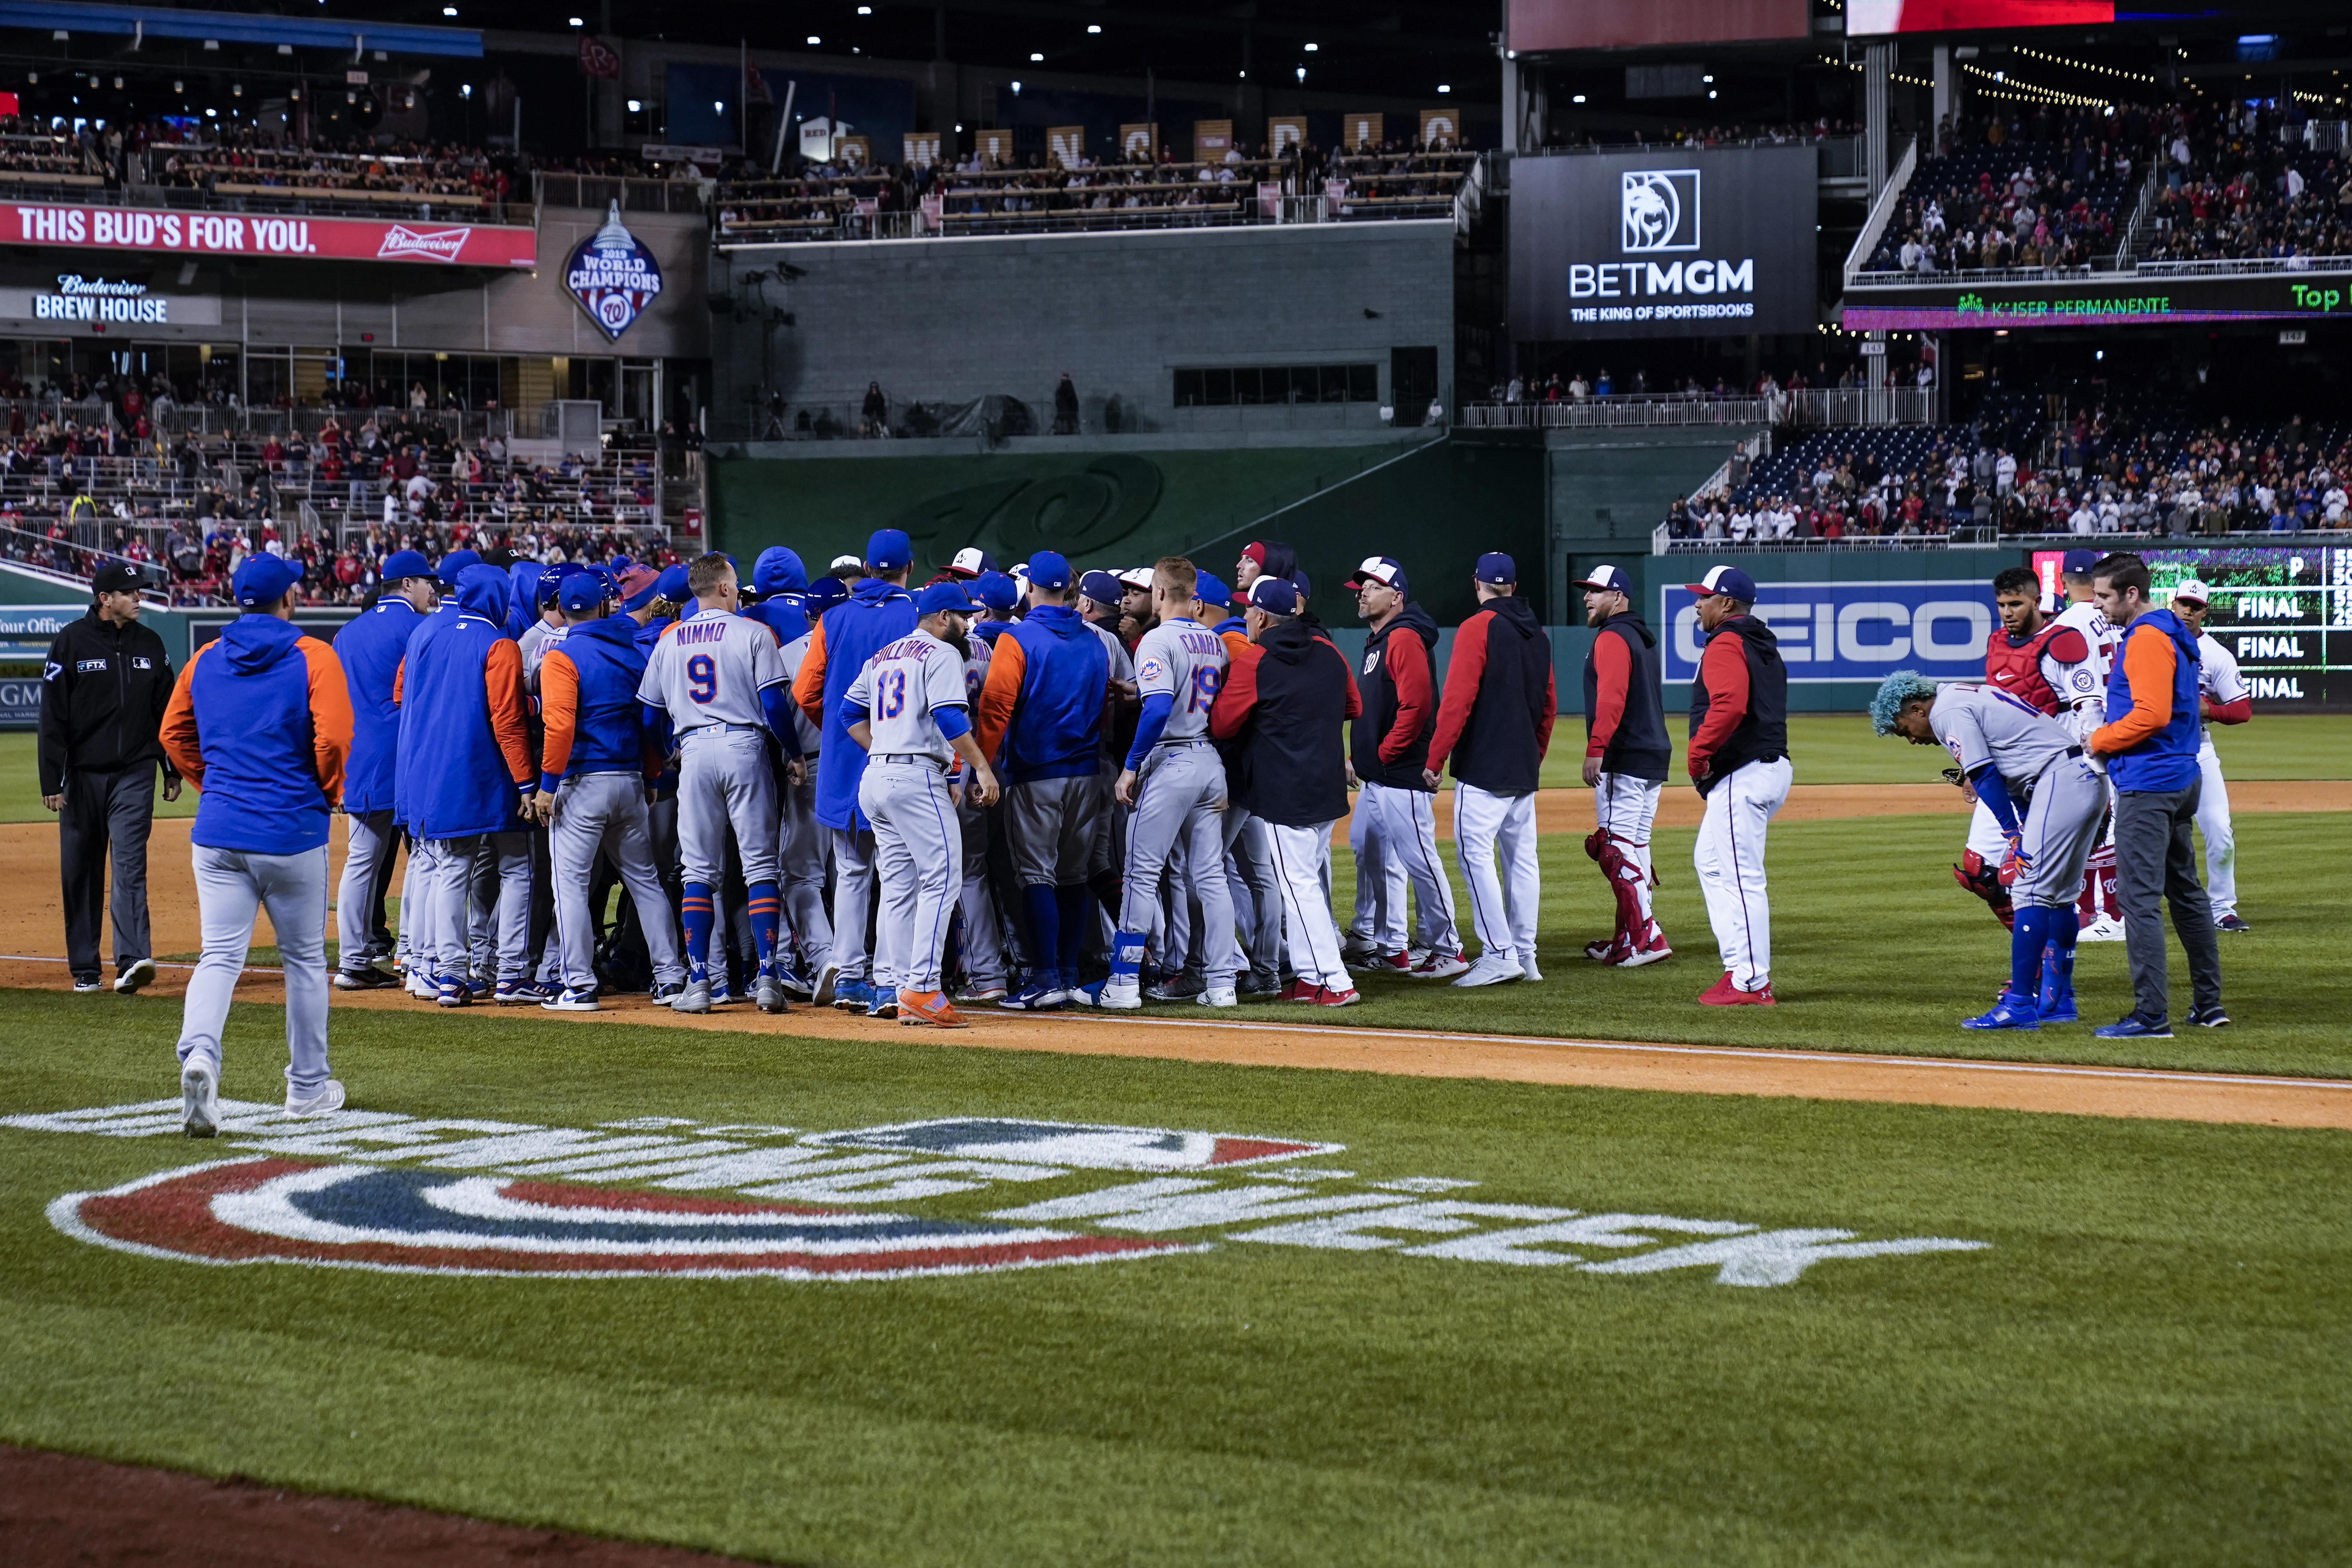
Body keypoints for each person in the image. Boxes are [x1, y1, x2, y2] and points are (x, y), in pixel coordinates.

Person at [158, 554, 354, 1134]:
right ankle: (307, 1088)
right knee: (303, 963)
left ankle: (199, 1054)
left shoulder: (203, 659)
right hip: (291, 830)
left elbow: (172, 733)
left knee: (218, 956)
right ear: (288, 599)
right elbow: (336, 737)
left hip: (218, 830)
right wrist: (326, 790)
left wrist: (209, 782)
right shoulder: (313, 656)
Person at [1874, 671, 2108, 1029]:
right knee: (2060, 896)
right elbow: (2013, 766)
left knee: (2027, 892)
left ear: (1918, 710)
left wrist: (2013, 835)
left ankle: (2018, 1004)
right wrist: (2026, 822)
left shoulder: (1945, 711)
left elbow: (1984, 775)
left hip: (2058, 782)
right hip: (2080, 778)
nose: (1909, 739)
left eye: (1903, 728)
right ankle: (2059, 1000)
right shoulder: (1965, 694)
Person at [638, 552, 800, 1015]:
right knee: (760, 867)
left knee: (697, 872)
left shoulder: (669, 640)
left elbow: (649, 715)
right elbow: (775, 704)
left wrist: (669, 751)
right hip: (744, 746)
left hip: (692, 751)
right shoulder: (752, 633)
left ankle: (701, 983)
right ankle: (768, 978)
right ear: (725, 588)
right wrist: (790, 752)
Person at [843, 581, 1001, 1027]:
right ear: (942, 617)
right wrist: (982, 769)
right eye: (963, 615)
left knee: (897, 886)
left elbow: (848, 714)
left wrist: (883, 747)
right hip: (913, 778)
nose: (968, 623)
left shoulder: (884, 654)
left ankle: (896, 986)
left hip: (876, 778)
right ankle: (924, 989)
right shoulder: (942, 652)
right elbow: (950, 715)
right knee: (943, 878)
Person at [1082, 556, 1236, 1009]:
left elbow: (1157, 709)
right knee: (1210, 876)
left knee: (1140, 874)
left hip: (1171, 762)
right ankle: (1222, 982)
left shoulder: (1155, 639)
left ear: (1161, 593)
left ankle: (1124, 983)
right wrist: (1141, 691)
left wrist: (1131, 766)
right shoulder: (1214, 641)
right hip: (1209, 761)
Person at [2084, 553, 2225, 1038]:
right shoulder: (2174, 632)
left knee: (2137, 900)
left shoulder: (2145, 637)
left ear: (2130, 594)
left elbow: (2150, 715)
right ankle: (2208, 1005)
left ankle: (2151, 1016)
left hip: (2150, 780)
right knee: (2186, 893)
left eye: (2104, 595)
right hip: (2181, 775)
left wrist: (2098, 741)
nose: (2098, 604)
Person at [532, 571, 686, 1011]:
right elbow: (651, 723)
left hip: (582, 785)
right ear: (604, 606)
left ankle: (578, 985)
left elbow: (559, 725)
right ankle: (671, 977)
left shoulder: (563, 656)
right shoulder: (633, 652)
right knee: (646, 883)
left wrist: (546, 787)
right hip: (629, 783)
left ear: (562, 610)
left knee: (572, 887)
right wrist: (653, 776)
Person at [972, 550, 1118, 1011]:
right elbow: (1102, 707)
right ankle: (1071, 975)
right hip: (1086, 772)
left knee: (1036, 876)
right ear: (1070, 591)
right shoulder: (1095, 641)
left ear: (1030, 587)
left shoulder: (1018, 640)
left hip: (1037, 774)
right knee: (1074, 875)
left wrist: (982, 766)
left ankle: (1044, 977)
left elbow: (994, 710)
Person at [1209, 575, 1362, 1006]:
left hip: (1282, 788)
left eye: (1247, 611)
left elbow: (1222, 723)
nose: (1244, 617)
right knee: (1304, 881)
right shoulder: (1329, 651)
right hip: (1326, 783)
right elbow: (1355, 706)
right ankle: (1311, 975)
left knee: (1298, 887)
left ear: (1261, 616)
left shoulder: (1255, 660)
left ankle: (1335, 980)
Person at [398, 563, 539, 1007]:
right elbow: (509, 721)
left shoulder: (423, 632)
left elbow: (402, 696)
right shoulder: (499, 643)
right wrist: (526, 781)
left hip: (427, 769)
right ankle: (512, 973)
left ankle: (445, 973)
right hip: (485, 772)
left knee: (447, 869)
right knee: (517, 867)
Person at [793, 529, 920, 1013]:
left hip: (844, 761)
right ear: (907, 567)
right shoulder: (915, 613)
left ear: (868, 569)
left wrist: (838, 733)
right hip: (900, 757)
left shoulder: (835, 617)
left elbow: (807, 691)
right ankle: (889, 979)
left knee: (849, 873)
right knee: (896, 874)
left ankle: (849, 976)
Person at [38, 560, 178, 994]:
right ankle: (85, 967)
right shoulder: (71, 643)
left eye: (140, 591)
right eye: (131, 591)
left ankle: (132, 960)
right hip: (81, 776)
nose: (139, 598)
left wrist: (170, 768)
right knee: (81, 870)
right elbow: (53, 716)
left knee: (129, 865)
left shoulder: (152, 645)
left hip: (134, 773)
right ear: (105, 599)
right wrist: (51, 779)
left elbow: (168, 713)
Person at [1422, 552, 1555, 988]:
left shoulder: (1476, 627)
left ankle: (1499, 954)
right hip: (1521, 766)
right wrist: (1533, 755)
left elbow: (1457, 700)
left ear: (1476, 584)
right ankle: (1525, 955)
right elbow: (1548, 706)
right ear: (1513, 587)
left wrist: (1435, 758)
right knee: (1522, 862)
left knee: (1475, 855)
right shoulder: (1538, 634)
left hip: (1483, 765)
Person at [1954, 565, 2101, 929]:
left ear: (2036, 600)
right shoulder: (1996, 643)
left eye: (2016, 604)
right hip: (2007, 771)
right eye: (2001, 604)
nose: (2007, 612)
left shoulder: (2063, 641)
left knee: (2034, 881)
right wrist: (1972, 769)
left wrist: (2096, 773)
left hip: (2055, 772)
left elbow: (2089, 710)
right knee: (1978, 873)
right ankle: (2033, 962)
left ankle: (2049, 965)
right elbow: (1988, 710)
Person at [1340, 555, 1462, 978]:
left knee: (1420, 861)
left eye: (1372, 586)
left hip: (1402, 774)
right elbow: (1376, 709)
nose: (1362, 592)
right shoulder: (1380, 639)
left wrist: (1387, 753)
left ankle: (1448, 948)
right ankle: (1392, 945)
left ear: (1397, 595)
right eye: (1361, 586)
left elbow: (1417, 705)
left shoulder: (1404, 637)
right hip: (1378, 777)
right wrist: (1362, 757)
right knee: (1369, 851)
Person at [1682, 565, 1790, 1006]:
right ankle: (1737, 965)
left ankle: (1750, 980)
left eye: (1705, 597)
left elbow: (1728, 705)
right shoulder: (1760, 644)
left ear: (1726, 603)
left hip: (1742, 772)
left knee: (1742, 877)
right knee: (1709, 861)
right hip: (1766, 767)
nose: (1697, 603)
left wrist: (1698, 753)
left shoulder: (1726, 642)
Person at [329, 549, 435, 990]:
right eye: (427, 581)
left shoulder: (347, 633)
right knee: (427, 859)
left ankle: (353, 960)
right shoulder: (420, 628)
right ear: (406, 584)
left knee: (361, 863)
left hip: (360, 763)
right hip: (409, 760)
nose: (434, 589)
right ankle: (412, 953)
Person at [1573, 563, 1671, 968]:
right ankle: (1628, 936)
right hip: (1652, 754)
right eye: (1587, 590)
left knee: (1613, 849)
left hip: (1625, 755)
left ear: (1618, 596)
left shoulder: (1612, 637)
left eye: (1596, 591)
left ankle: (1646, 935)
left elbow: (1612, 697)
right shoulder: (1642, 637)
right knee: (1634, 847)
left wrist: (1597, 747)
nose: (1587, 597)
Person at [2050, 549, 2127, 941]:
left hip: (2084, 723)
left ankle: (2108, 914)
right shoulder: (2119, 616)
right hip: (2124, 724)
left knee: (2093, 822)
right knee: (2108, 821)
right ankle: (2099, 911)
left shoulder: (2065, 624)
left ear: (2062, 581)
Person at [2168, 579, 2252, 932]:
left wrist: (2208, 710)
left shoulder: (2216, 654)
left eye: (2195, 606)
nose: (2187, 611)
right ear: (2171, 604)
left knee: (2219, 830)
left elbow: (2242, 710)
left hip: (2197, 751)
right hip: (2149, 752)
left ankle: (2221, 908)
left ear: (2205, 611)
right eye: (2182, 604)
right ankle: (2114, 911)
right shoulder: (2149, 640)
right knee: (2129, 836)